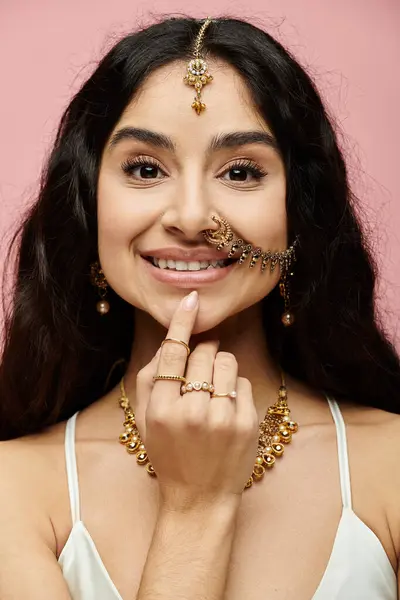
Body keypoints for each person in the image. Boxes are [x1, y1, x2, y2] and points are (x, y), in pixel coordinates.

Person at [0, 13, 399, 600]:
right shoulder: (14, 490)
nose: (190, 217)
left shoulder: (389, 465)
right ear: (88, 203)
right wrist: (195, 510)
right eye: (145, 168)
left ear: (300, 211)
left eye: (240, 172)